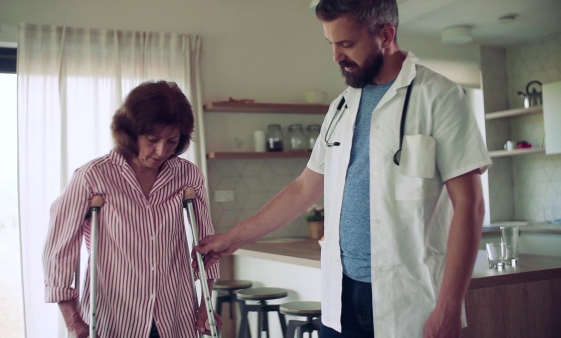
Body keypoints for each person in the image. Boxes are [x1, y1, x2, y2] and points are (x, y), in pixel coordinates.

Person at [195, 1, 492, 337]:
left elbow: (471, 206)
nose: (336, 56)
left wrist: (450, 307)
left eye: (347, 44)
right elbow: (304, 189)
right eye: (331, 44)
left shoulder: (438, 96)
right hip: (342, 297)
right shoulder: (340, 108)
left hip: (409, 300)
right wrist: (234, 238)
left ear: (386, 34)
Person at [42, 80, 221, 338]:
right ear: (130, 132)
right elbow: (60, 247)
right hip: (114, 317)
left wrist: (205, 305)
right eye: (152, 139)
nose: (161, 151)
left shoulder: (187, 176)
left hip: (174, 314)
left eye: (172, 141)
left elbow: (206, 246)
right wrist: (72, 319)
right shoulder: (93, 177)